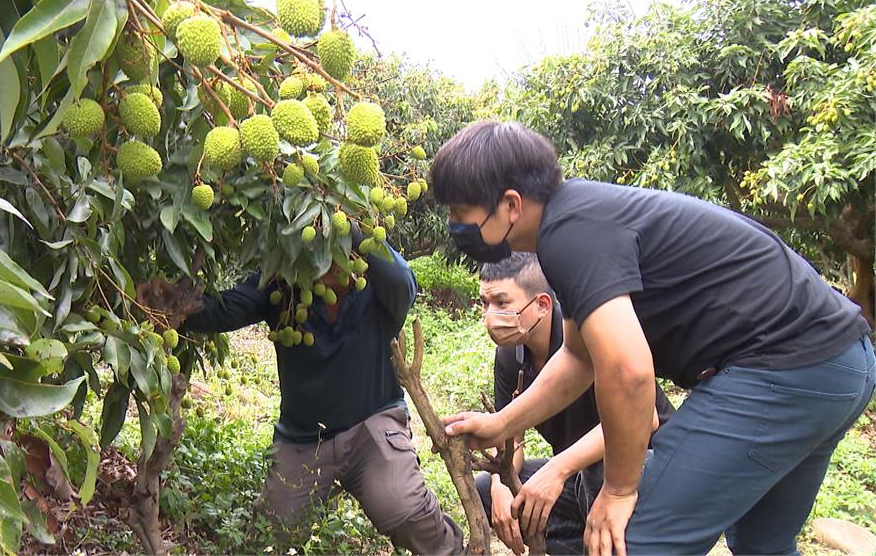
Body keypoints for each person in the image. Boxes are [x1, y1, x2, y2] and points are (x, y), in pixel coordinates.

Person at [431, 120, 875, 555]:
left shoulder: (570, 234)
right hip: (842, 363)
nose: (455, 225)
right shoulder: (578, 220)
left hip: (787, 364)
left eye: (460, 213)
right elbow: (579, 358)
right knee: (762, 543)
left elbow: (628, 371)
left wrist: (620, 491)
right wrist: (502, 423)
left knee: (634, 538)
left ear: (510, 204)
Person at [164, 234, 463, 555]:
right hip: (303, 439)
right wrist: (170, 303)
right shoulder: (282, 287)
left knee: (404, 509)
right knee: (271, 540)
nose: (333, 262)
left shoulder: (378, 291)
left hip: (372, 426)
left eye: (343, 250)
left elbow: (403, 281)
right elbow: (223, 311)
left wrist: (354, 227)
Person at [474, 252, 675, 555]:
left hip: (647, 468)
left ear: (542, 304)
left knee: (597, 469)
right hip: (581, 479)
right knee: (486, 490)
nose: (491, 315)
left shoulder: (589, 335)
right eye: (485, 303)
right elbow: (510, 442)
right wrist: (500, 483)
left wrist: (558, 469)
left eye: (502, 303)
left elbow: (644, 420)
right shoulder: (510, 357)